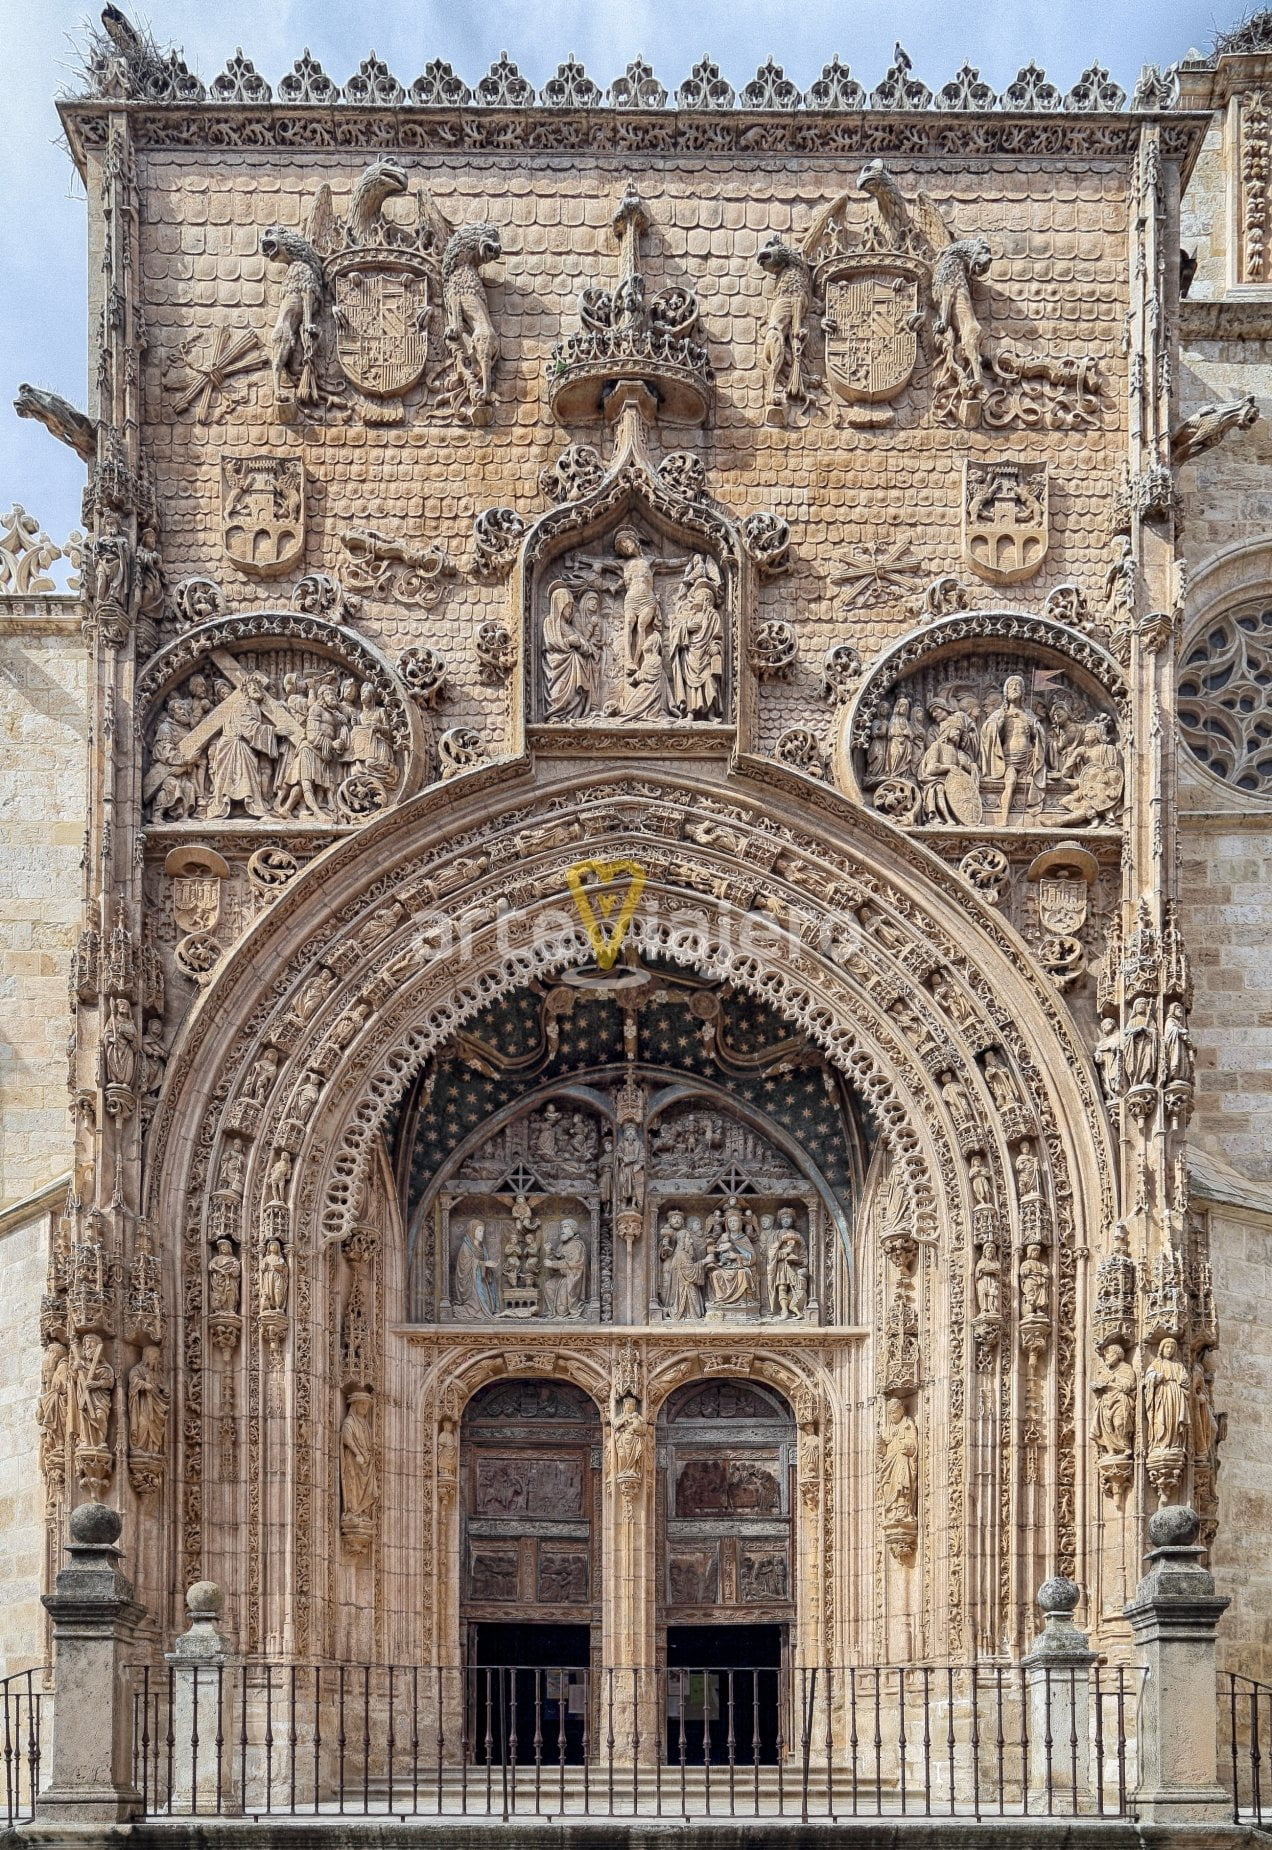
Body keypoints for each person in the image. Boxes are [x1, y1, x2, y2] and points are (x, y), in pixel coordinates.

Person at [454, 1221, 498, 1318]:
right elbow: (464, 1268)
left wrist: (488, 1266)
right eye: (479, 1231)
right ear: (472, 1231)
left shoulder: (482, 1248)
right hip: (471, 1284)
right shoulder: (466, 1247)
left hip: (481, 1281)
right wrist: (484, 1263)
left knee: (488, 1307)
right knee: (477, 1309)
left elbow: (482, 1264)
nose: (481, 1234)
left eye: (482, 1231)